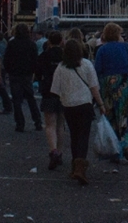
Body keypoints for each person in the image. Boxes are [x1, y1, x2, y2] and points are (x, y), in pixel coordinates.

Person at [50, 39, 104, 185]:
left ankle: (75, 165)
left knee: (74, 135)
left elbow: (55, 89)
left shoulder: (61, 67)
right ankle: (80, 167)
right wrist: (100, 104)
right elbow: (94, 87)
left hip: (68, 105)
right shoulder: (86, 64)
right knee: (83, 135)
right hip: (85, 104)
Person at [93, 22, 128, 160]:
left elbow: (97, 70)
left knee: (110, 115)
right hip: (124, 81)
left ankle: (114, 148)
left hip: (107, 83)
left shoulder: (102, 49)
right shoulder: (126, 47)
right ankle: (127, 146)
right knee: (124, 115)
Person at [3, 23, 43, 133]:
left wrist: (9, 70)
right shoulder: (31, 44)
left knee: (17, 100)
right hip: (27, 74)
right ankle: (37, 120)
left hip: (15, 74)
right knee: (30, 98)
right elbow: (35, 60)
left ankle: (20, 123)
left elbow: (6, 59)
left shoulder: (12, 44)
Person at [35, 31, 66, 169]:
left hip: (48, 90)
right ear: (61, 41)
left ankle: (52, 150)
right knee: (60, 124)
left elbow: (37, 74)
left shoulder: (43, 56)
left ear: (49, 41)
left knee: (50, 124)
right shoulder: (66, 56)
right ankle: (59, 152)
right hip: (64, 91)